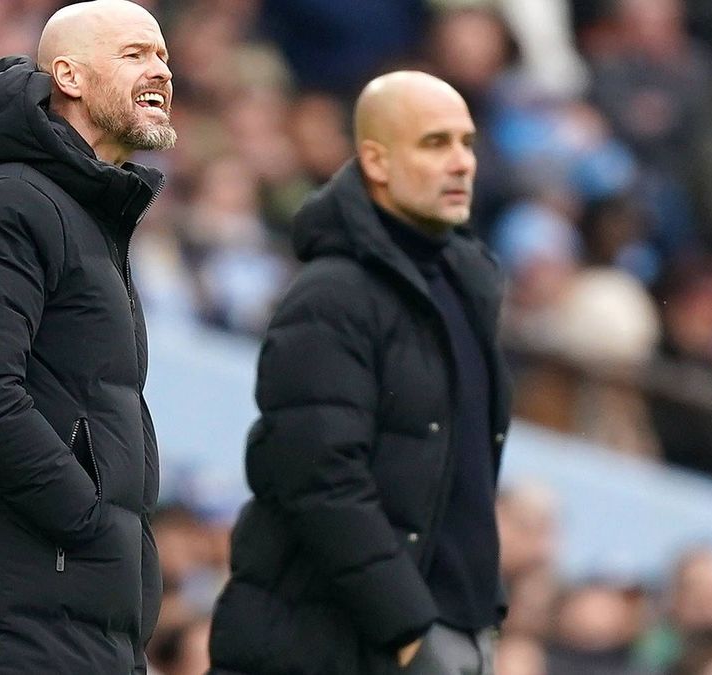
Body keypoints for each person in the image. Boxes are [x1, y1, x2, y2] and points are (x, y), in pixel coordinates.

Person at [0, 1, 175, 672]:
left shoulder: (82, 217)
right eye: (135, 54)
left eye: (164, 56)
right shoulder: (13, 201)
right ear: (68, 76)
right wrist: (85, 516)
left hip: (74, 626)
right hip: (11, 629)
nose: (161, 71)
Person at [209, 71, 512, 674]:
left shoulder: (464, 287)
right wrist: (407, 631)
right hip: (334, 645)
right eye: (435, 144)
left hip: (447, 634)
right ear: (375, 160)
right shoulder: (333, 295)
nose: (461, 163)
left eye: (467, 143)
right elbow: (317, 476)